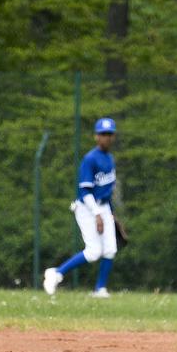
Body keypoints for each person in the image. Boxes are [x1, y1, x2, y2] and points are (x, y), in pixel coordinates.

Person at [44, 117, 119, 298]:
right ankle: (56, 273)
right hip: (86, 207)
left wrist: (111, 214)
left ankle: (100, 289)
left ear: (113, 137)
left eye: (109, 134)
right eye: (102, 134)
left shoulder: (110, 159)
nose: (106, 138)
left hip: (104, 207)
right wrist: (97, 215)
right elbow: (85, 191)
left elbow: (107, 190)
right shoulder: (90, 159)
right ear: (96, 136)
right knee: (94, 252)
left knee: (110, 249)